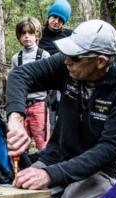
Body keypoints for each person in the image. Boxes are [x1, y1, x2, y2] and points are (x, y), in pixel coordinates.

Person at [6, 19, 116, 198]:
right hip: (57, 156)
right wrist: (15, 118)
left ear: (101, 62)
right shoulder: (65, 66)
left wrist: (50, 175)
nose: (67, 61)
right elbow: (20, 75)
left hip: (97, 171)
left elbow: (108, 149)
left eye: (75, 57)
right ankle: (63, 195)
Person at [10, 17, 51, 151]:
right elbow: (13, 83)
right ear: (19, 36)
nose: (27, 36)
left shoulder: (44, 55)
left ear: (37, 35)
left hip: (39, 105)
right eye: (23, 33)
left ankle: (44, 169)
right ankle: (21, 169)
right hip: (22, 107)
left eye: (31, 33)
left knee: (42, 141)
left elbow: (51, 79)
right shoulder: (16, 58)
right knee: (21, 143)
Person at [38, 0, 73, 131]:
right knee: (47, 117)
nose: (56, 21)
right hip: (44, 82)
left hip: (64, 82)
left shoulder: (69, 35)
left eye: (61, 20)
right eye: (54, 17)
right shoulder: (38, 35)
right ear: (49, 16)